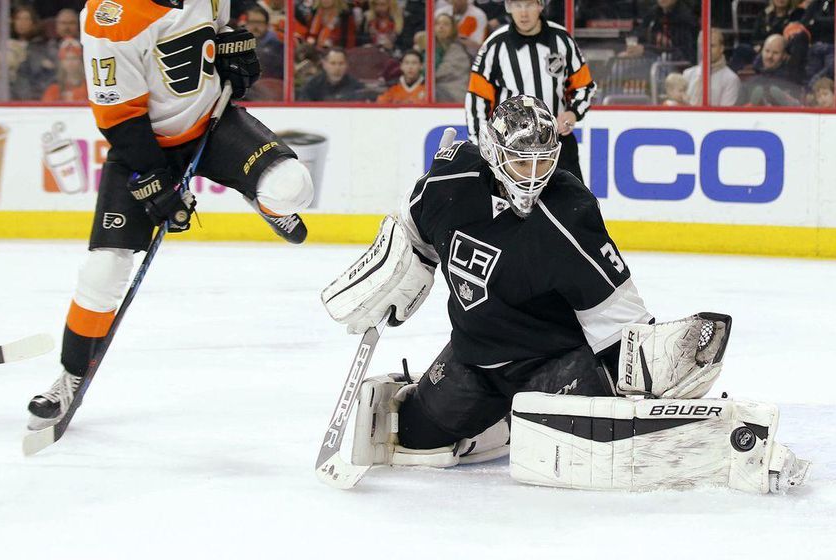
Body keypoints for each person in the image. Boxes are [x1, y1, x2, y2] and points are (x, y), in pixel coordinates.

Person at [320, 95, 811, 494]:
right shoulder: (449, 180)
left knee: (581, 454)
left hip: (552, 364)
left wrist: (649, 372)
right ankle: (497, 424)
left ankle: (522, 416)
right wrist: (397, 274)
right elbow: (416, 233)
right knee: (414, 440)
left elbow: (619, 318)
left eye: (543, 159)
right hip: (474, 357)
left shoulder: (569, 213)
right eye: (520, 158)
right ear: (493, 151)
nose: (532, 173)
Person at [26, 0, 315, 431]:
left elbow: (216, 36)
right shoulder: (111, 17)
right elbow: (118, 117)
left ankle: (266, 203)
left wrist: (234, 57)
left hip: (212, 126)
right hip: (143, 148)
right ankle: (69, 374)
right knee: (104, 270)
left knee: (294, 186)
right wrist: (155, 183)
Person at [466, 0, 595, 182]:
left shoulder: (562, 40)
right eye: (518, 6)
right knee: (513, 208)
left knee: (573, 206)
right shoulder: (494, 45)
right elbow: (476, 100)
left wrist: (573, 113)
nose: (523, 13)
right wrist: (480, 146)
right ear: (509, 8)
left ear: (541, 6)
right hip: (510, 148)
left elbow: (584, 86)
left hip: (556, 144)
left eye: (529, 5)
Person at [683, 28, 740, 106]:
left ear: (721, 48)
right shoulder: (687, 74)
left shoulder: (731, 79)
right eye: (703, 46)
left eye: (712, 46)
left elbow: (725, 114)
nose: (707, 50)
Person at [298, 47, 367, 100]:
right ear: (324, 64)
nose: (337, 67)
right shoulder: (312, 86)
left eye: (341, 63)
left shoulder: (356, 87)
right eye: (333, 63)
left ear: (346, 65)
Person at [434, 12, 474, 102]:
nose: (441, 27)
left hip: (454, 95)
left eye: (446, 24)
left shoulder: (458, 50)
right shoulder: (430, 48)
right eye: (438, 23)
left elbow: (439, 73)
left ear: (453, 29)